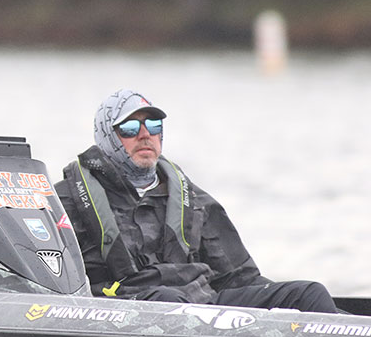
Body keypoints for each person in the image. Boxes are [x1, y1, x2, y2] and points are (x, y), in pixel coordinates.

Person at [54, 88, 338, 313]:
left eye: (153, 125)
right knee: (169, 301)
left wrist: (279, 308)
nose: (145, 135)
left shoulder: (195, 201)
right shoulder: (65, 199)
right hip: (127, 310)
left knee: (309, 294)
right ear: (107, 136)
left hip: (203, 304)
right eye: (129, 128)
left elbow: (240, 278)